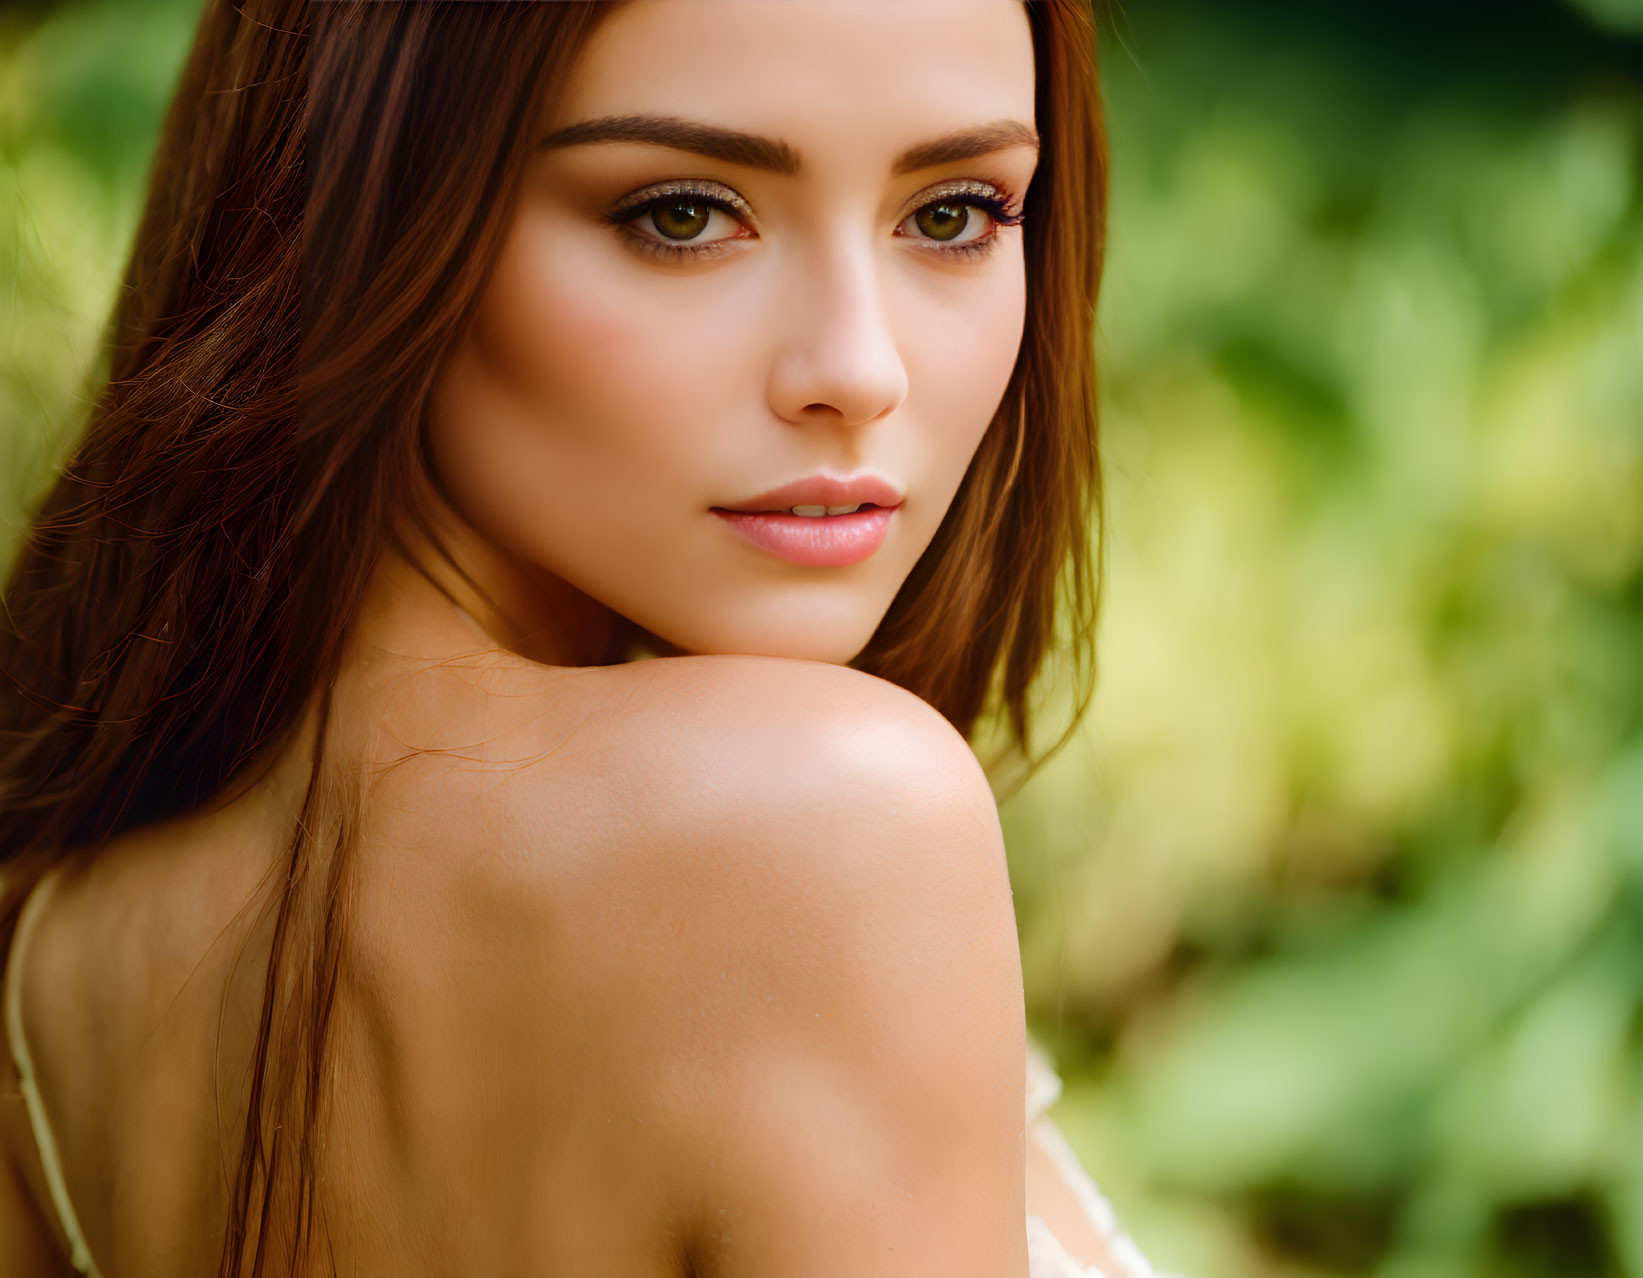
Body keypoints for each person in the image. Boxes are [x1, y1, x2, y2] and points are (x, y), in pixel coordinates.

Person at [0, 1, 1173, 1274]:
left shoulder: (52, 963)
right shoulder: (828, 826)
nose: (858, 367)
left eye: (950, 213)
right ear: (366, 207)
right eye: (680, 212)